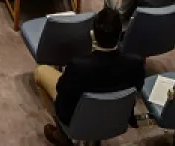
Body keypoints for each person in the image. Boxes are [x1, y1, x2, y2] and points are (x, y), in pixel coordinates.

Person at [35, 9, 145, 146]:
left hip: (76, 119)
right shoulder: (135, 62)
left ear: (93, 35)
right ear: (120, 35)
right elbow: (138, 88)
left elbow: (61, 91)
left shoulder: (78, 65)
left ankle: (61, 133)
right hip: (116, 119)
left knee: (40, 71)